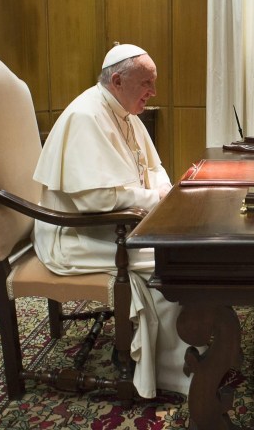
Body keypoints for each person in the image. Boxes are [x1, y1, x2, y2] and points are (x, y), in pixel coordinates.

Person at [32, 43, 190, 399]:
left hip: (116, 226)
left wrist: (162, 195)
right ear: (117, 80)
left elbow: (156, 169)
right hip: (73, 235)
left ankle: (186, 348)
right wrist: (157, 201)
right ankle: (170, 373)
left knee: (179, 251)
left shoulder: (126, 115)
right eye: (146, 83)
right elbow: (95, 199)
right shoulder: (86, 116)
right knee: (170, 262)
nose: (154, 92)